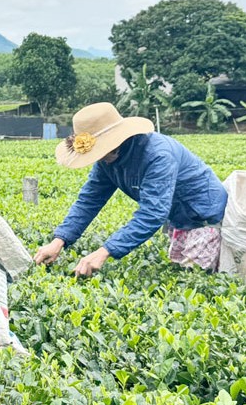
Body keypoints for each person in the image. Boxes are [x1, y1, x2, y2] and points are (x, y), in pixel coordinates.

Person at [33, 102, 228, 276]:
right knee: (179, 272)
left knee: (193, 278)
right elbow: (89, 201)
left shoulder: (158, 155)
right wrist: (59, 240)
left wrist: (104, 252)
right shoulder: (106, 161)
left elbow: (153, 213)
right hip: (178, 219)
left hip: (204, 219)